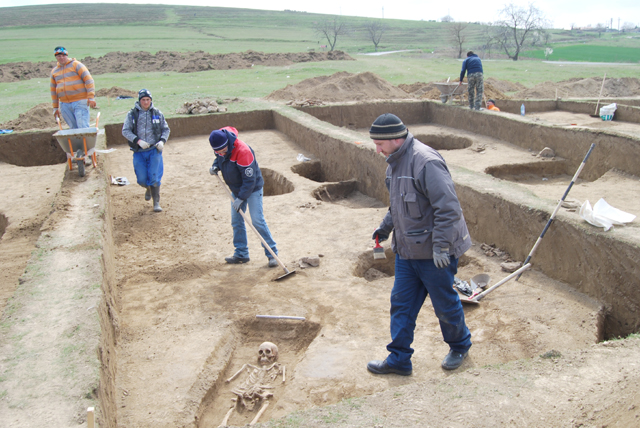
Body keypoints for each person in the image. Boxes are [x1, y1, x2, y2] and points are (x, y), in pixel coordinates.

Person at [367, 113, 473, 376]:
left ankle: (459, 346)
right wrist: (385, 226)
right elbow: (398, 204)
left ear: (395, 139)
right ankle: (399, 359)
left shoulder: (426, 163)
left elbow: (448, 209)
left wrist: (440, 247)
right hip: (407, 250)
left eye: (379, 144)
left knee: (444, 303)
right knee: (401, 303)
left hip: (435, 253)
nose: (376, 149)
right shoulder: (393, 163)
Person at [208, 127, 279, 268]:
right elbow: (219, 159)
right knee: (237, 221)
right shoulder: (220, 147)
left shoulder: (243, 151)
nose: (221, 153)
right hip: (236, 189)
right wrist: (215, 166)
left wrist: (241, 198)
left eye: (223, 150)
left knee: (257, 221)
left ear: (228, 143)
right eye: (218, 151)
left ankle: (272, 254)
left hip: (252, 189)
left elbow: (249, 181)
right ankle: (241, 253)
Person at [122, 89, 170, 212]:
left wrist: (162, 141)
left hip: (154, 150)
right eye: (143, 100)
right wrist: (138, 141)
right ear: (139, 101)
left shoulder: (157, 113)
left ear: (151, 100)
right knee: (142, 179)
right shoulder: (132, 114)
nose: (146, 102)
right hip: (139, 151)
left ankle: (156, 202)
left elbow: (166, 129)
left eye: (148, 100)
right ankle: (147, 188)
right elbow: (125, 131)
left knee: (154, 177)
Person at [50, 46, 97, 129]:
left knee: (82, 127)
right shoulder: (54, 71)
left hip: (80, 101)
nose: (61, 58)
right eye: (59, 56)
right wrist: (55, 107)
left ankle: (86, 142)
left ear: (67, 55)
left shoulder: (76, 65)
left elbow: (89, 80)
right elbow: (53, 90)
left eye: (63, 55)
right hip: (64, 104)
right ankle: (77, 142)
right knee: (73, 129)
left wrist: (91, 97)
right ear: (56, 57)